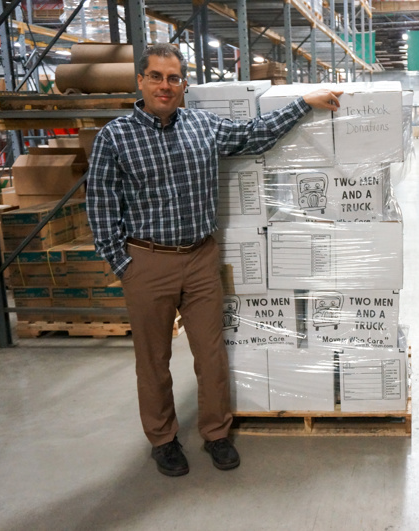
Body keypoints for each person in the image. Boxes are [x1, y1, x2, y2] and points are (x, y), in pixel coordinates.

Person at [87, 43, 343, 477]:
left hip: (201, 259)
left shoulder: (202, 125)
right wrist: (122, 264)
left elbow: (254, 135)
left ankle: (216, 434)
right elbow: (100, 205)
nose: (165, 86)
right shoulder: (115, 137)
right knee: (153, 361)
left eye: (173, 78)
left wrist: (302, 103)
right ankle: (163, 440)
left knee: (211, 354)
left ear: (183, 83)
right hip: (147, 262)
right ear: (141, 81)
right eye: (156, 76)